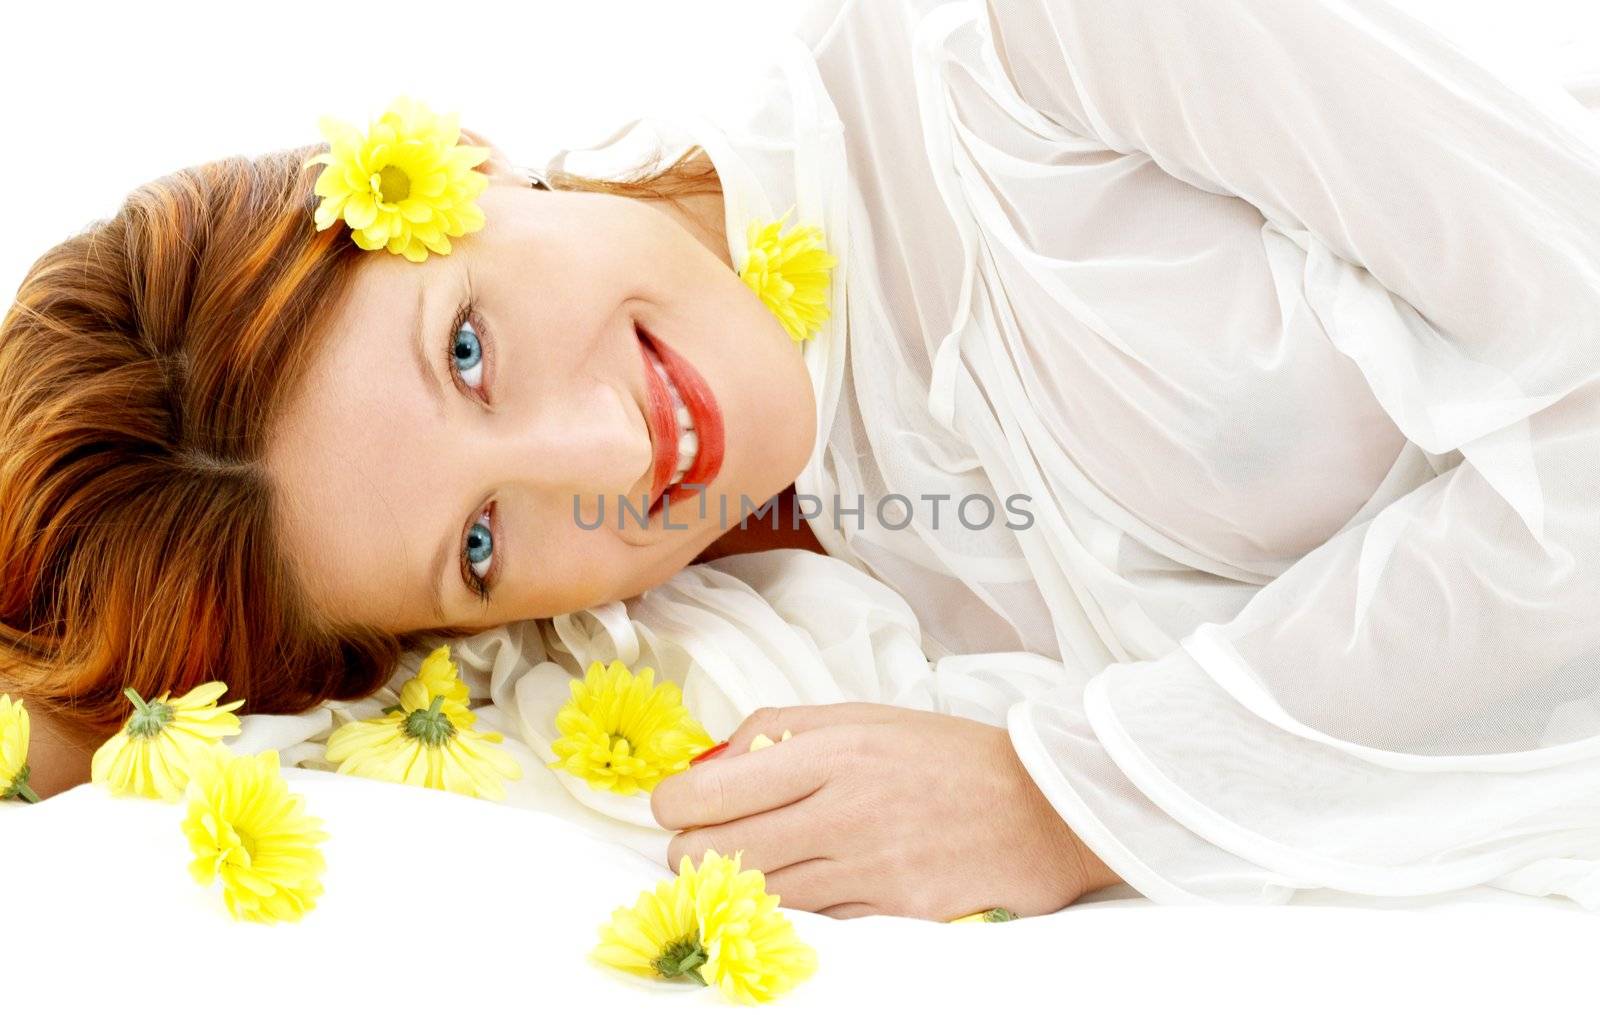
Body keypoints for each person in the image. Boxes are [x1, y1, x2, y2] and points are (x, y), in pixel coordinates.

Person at [4, 0, 1600, 918]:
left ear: (458, 163)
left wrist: (1080, 795)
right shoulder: (645, 655)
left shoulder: (1018, 52)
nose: (611, 454)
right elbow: (118, 721)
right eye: (480, 546)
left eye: (468, 348)